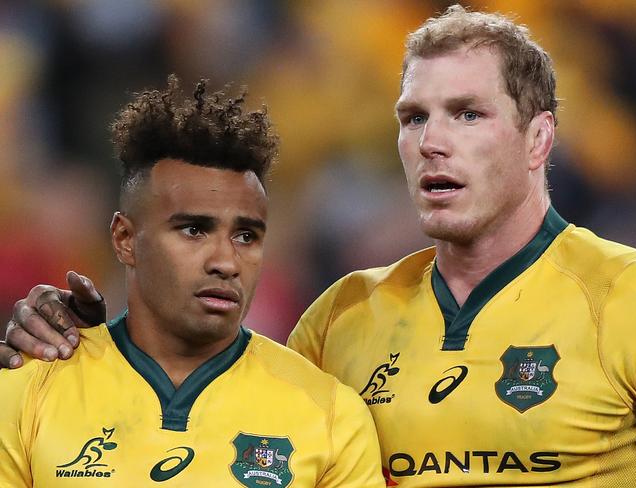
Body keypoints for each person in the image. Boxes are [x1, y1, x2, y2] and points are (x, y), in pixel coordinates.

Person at [3, 5, 636, 487]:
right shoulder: (343, 318)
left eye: (468, 114)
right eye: (413, 117)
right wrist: (80, 351)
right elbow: (227, 410)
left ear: (540, 139)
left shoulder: (631, 297)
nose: (432, 141)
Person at [0, 76, 384, 487]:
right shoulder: (27, 392)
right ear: (125, 240)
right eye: (194, 230)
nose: (226, 262)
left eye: (246, 236)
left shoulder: (329, 417)